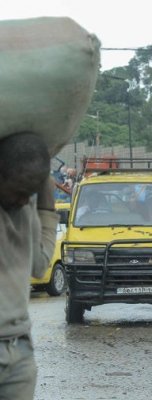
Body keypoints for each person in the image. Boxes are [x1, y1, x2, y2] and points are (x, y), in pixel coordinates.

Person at [0, 132, 58, 400]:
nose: (25, 200)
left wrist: (46, 204)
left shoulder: (25, 211)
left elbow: (39, 265)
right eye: (20, 191)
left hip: (20, 349)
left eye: (30, 193)